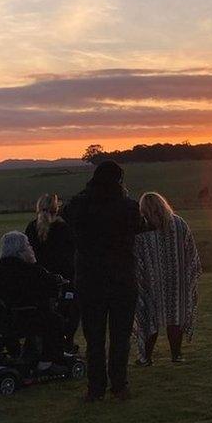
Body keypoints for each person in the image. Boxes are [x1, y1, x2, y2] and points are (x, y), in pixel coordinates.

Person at [63, 161, 146, 401]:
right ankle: (119, 385)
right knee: (120, 337)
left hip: (90, 279)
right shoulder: (128, 207)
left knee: (94, 338)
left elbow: (66, 214)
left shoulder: (80, 205)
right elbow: (139, 227)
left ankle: (95, 387)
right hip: (122, 279)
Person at [132, 193, 202, 365]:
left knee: (149, 318)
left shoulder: (142, 229)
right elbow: (190, 251)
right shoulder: (179, 224)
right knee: (175, 317)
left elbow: (136, 258)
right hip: (177, 282)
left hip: (151, 284)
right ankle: (176, 355)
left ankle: (146, 358)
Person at [0, 231, 65, 370]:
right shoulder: (30, 271)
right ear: (21, 251)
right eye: (28, 246)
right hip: (21, 320)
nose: (31, 249)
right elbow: (49, 290)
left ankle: (22, 353)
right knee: (55, 320)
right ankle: (47, 362)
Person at [25, 194, 79, 353]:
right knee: (70, 312)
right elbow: (70, 255)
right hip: (62, 279)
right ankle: (66, 342)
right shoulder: (64, 229)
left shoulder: (31, 227)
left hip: (39, 279)